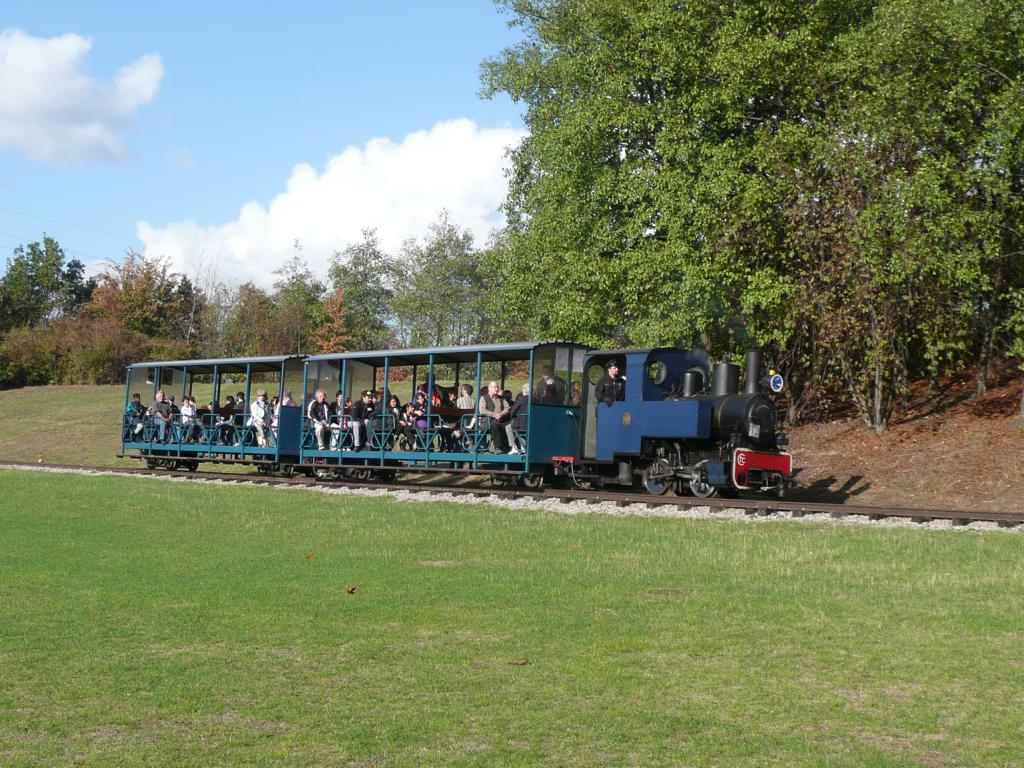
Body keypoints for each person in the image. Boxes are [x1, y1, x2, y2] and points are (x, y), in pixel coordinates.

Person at [478, 380, 512, 453]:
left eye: (497, 387)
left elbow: (507, 408)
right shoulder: (484, 398)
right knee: (494, 424)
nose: (496, 389)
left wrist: (500, 414)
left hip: (502, 420)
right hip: (488, 421)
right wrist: (494, 415)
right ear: (489, 388)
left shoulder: (502, 398)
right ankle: (498, 447)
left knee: (510, 425)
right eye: (494, 387)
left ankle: (510, 447)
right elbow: (482, 410)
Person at [508, 382, 530, 454]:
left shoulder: (521, 399)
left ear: (524, 390)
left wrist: (511, 417)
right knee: (521, 430)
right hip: (531, 423)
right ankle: (523, 448)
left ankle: (514, 447)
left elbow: (513, 411)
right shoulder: (535, 399)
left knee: (508, 427)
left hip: (522, 423)